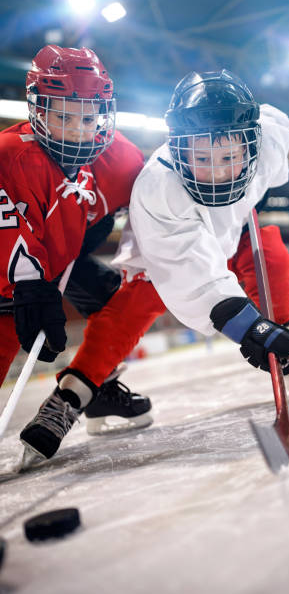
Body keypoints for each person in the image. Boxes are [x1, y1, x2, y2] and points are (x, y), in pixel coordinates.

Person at [18, 69, 289, 461]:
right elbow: (190, 273)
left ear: (251, 147)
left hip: (229, 239)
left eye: (229, 157)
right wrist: (246, 326)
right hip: (163, 256)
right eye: (202, 158)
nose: (217, 171)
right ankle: (72, 395)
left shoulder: (268, 139)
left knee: (267, 248)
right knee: (130, 310)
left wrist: (265, 328)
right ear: (179, 150)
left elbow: (273, 120)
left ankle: (283, 345)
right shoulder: (159, 187)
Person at [0, 45, 155, 458]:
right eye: (63, 115)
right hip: (10, 275)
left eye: (88, 117)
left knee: (117, 298)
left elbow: (159, 212)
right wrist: (29, 288)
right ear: (37, 110)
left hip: (62, 261)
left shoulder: (123, 160)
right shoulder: (10, 156)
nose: (78, 129)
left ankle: (94, 389)